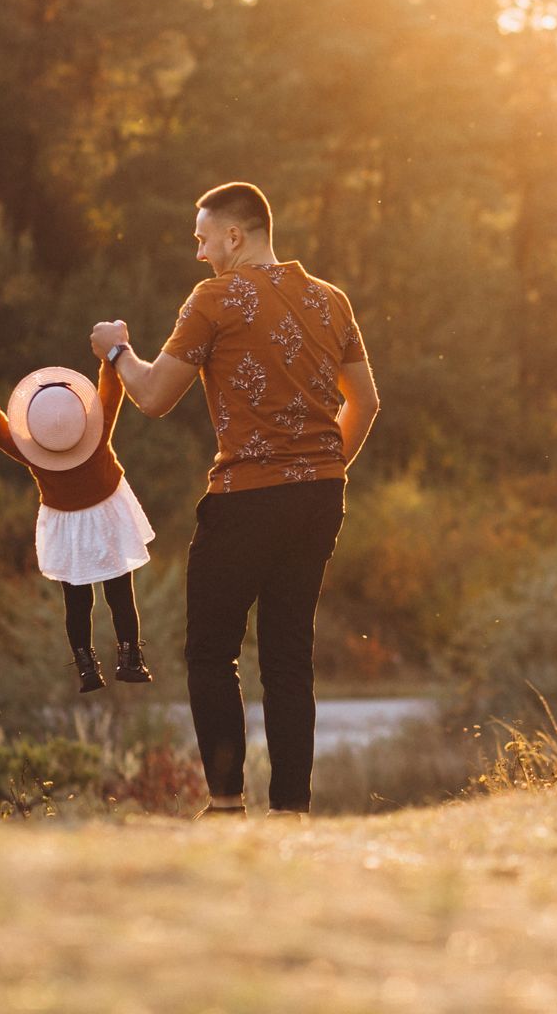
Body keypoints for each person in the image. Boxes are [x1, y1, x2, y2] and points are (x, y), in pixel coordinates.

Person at [90, 182, 380, 817]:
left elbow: (154, 396)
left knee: (210, 651)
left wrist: (115, 349)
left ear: (234, 236)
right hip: (320, 498)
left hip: (245, 498)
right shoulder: (331, 300)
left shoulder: (215, 298)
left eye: (202, 239)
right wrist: (321, 468)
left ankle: (225, 805)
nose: (199, 254)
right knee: (287, 655)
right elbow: (368, 401)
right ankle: (291, 812)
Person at [0, 363, 156, 692]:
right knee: (120, 593)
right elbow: (111, 394)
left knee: (77, 601)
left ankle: (87, 667)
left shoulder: (35, 452)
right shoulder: (98, 430)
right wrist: (108, 360)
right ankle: (130, 660)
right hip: (107, 514)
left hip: (66, 523)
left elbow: (2, 435)